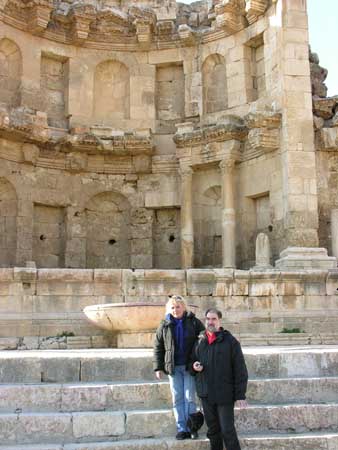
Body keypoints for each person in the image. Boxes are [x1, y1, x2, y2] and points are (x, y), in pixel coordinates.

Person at [191, 308, 248, 450]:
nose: (210, 322)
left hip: (225, 394)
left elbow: (240, 370)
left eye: (214, 319)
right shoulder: (199, 341)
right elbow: (191, 362)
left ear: (219, 321)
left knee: (227, 430)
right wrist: (194, 366)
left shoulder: (231, 342)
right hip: (206, 393)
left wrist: (240, 395)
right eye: (208, 319)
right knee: (213, 430)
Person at [153, 295, 205, 440]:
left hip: (189, 367)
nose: (175, 310)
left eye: (178, 306)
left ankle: (192, 427)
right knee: (177, 398)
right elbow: (158, 347)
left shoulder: (193, 322)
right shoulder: (164, 324)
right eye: (172, 307)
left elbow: (203, 339)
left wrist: (201, 360)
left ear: (184, 307)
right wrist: (158, 367)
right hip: (173, 368)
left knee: (189, 398)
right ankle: (182, 429)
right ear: (169, 309)